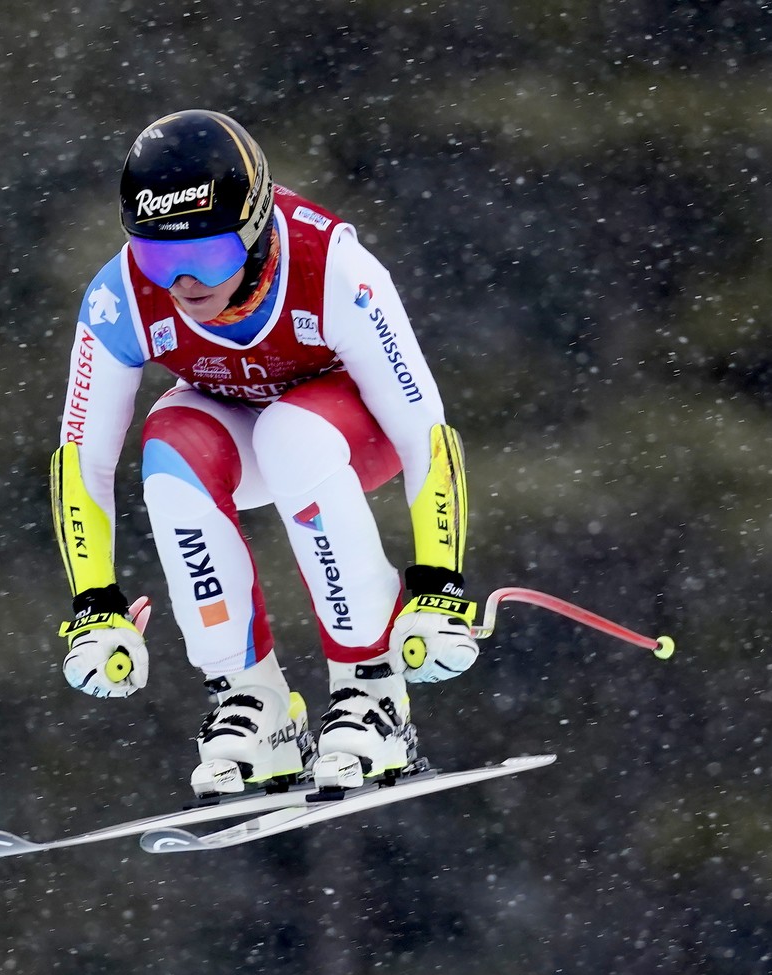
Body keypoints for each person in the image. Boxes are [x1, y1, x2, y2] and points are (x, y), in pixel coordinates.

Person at [48, 109, 480, 796]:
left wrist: (439, 586)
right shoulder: (121, 297)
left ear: (253, 229)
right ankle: (253, 704)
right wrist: (95, 604)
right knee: (170, 448)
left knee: (293, 434)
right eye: (160, 256)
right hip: (245, 428)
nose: (184, 284)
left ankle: (372, 690)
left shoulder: (332, 266)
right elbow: (83, 459)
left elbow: (425, 433)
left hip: (346, 430)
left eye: (207, 254)